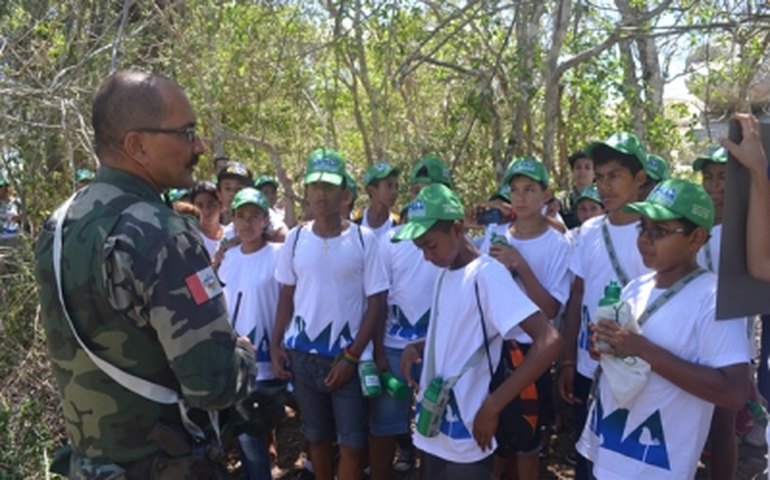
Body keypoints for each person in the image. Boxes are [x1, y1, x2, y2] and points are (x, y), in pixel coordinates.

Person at [33, 70, 256, 478]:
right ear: (137, 146)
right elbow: (213, 385)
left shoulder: (58, 225)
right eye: (187, 133)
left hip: (93, 466)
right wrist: (243, 354)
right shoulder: (162, 234)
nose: (199, 146)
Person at [577, 178, 751, 479]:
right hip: (609, 451)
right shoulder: (635, 288)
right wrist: (606, 347)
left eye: (659, 231)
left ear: (696, 238)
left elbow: (734, 393)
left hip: (657, 465)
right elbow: (626, 354)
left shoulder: (714, 300)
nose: (645, 238)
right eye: (642, 227)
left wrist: (642, 349)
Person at [395, 183, 562, 479]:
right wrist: (420, 347)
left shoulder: (486, 275)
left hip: (468, 429)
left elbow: (549, 341)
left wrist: (493, 405)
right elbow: (460, 331)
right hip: (434, 424)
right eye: (420, 248)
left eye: (431, 246)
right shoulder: (446, 273)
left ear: (458, 229)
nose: (427, 257)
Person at [270, 148, 389, 480]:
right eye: (315, 186)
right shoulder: (295, 239)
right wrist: (276, 343)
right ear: (306, 192)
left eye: (329, 187)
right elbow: (286, 295)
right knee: (317, 438)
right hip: (303, 355)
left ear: (345, 194)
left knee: (352, 443)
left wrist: (353, 356)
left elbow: (377, 303)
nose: (321, 194)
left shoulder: (364, 240)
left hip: (347, 356)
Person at [557, 132, 651, 480]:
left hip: (635, 371)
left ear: (639, 178)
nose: (605, 186)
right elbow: (577, 296)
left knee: (627, 459)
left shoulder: (654, 233)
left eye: (615, 176)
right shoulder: (589, 232)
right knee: (588, 456)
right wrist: (569, 360)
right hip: (589, 366)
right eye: (599, 178)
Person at [480, 157, 571, 479]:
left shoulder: (558, 244)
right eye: (515, 189)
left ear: (546, 194)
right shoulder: (495, 233)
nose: (520, 197)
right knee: (490, 435)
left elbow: (551, 309)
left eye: (529, 189)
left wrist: (519, 264)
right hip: (491, 346)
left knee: (526, 438)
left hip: (530, 351)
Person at [219, 187, 283, 480]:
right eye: (241, 216)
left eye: (254, 216)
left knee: (258, 429)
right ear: (232, 219)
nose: (247, 222)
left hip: (270, 359)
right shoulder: (228, 257)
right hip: (234, 361)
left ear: (265, 220)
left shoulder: (278, 255)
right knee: (245, 434)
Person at [354, 161, 400, 238]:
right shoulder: (355, 226)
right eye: (389, 186)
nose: (394, 192)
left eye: (396, 186)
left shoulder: (398, 226)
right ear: (371, 190)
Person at [558, 151, 595, 229]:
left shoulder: (604, 200)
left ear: (594, 173)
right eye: (578, 167)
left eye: (587, 168)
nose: (582, 171)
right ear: (572, 172)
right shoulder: (562, 202)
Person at [190, 180, 224, 259]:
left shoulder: (232, 233)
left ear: (221, 205)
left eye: (211, 204)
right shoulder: (191, 239)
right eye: (200, 205)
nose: (206, 210)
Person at [254, 175, 290, 241]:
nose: (270, 196)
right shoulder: (261, 212)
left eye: (273, 192)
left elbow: (290, 224)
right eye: (266, 192)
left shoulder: (280, 212)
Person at [0, 173, 22, 246]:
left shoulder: (17, 202)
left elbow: (25, 220)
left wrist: (19, 218)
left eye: (1, 186)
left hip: (14, 240)